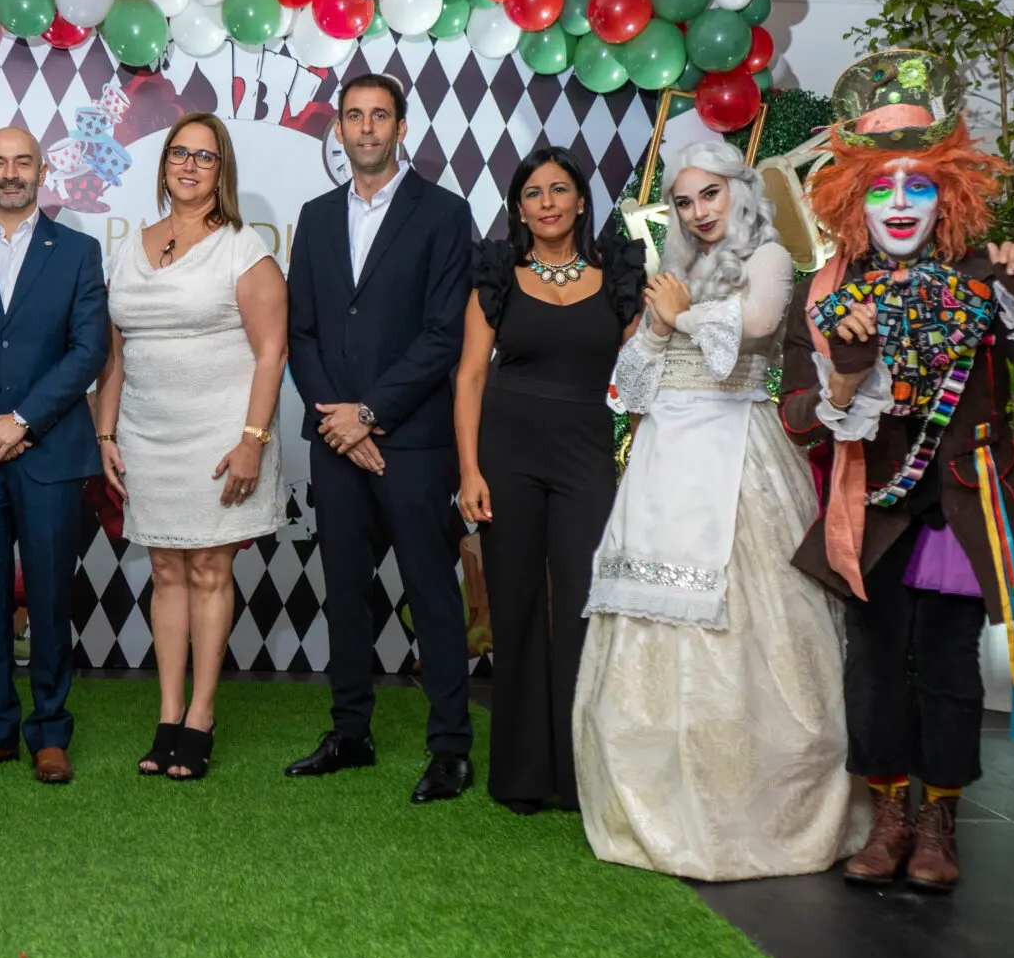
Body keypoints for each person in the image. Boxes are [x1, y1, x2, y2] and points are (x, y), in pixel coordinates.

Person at [783, 49, 1014, 892]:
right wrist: (845, 374)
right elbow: (799, 416)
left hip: (964, 504)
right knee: (875, 665)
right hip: (873, 508)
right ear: (855, 199)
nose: (902, 205)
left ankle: (940, 819)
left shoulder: (991, 276)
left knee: (951, 668)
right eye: (882, 187)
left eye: (920, 185)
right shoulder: (828, 293)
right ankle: (887, 813)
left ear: (947, 192)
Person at [573, 141, 863, 877]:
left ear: (739, 191)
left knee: (754, 623)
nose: (699, 211)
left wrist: (682, 314)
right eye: (685, 201)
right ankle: (655, 803)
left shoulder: (767, 253)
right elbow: (631, 383)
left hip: (739, 451)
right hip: (665, 457)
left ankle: (753, 807)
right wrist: (663, 322)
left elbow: (761, 324)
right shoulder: (674, 273)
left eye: (711, 194)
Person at [284, 74, 477, 804]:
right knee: (344, 593)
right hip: (337, 444)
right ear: (338, 128)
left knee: (431, 593)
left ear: (402, 127)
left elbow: (442, 335)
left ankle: (451, 747)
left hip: (413, 441)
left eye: (380, 116)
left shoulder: (444, 213)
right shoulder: (317, 214)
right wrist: (339, 419)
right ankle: (351, 732)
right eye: (354, 116)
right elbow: (302, 330)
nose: (366, 128)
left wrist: (369, 415)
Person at [92, 114, 287, 781]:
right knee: (166, 572)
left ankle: (202, 715)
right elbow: (115, 355)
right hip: (148, 434)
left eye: (205, 157)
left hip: (219, 435)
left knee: (208, 570)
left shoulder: (243, 247)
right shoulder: (130, 245)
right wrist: (105, 432)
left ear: (221, 170)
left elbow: (271, 353)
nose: (190, 165)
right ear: (165, 164)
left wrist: (252, 441)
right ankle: (168, 714)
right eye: (180, 153)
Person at [452, 148, 646, 815]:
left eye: (559, 189)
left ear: (582, 201)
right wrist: (470, 470)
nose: (547, 202)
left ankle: (579, 770)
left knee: (583, 608)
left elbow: (642, 373)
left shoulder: (618, 276)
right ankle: (522, 773)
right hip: (506, 453)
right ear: (519, 209)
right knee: (515, 607)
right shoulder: (497, 274)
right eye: (533, 193)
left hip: (587, 453)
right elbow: (471, 376)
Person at [0, 127, 108, 785]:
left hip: (50, 451)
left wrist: (23, 420)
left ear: (41, 173)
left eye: (22, 162)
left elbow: (89, 350)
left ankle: (50, 733)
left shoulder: (79, 252)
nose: (11, 173)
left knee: (52, 594)